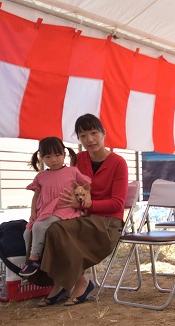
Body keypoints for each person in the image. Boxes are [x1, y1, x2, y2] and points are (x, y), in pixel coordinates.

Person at [29, 113, 128, 307]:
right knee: (47, 227)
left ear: (104, 133)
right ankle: (65, 282)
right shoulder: (78, 160)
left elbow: (117, 204)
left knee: (59, 230)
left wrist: (86, 205)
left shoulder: (118, 163)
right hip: (80, 218)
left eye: (94, 133)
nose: (89, 139)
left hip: (108, 223)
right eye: (83, 135)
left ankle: (76, 283)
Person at [20, 137, 92, 277]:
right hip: (46, 210)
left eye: (57, 155)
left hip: (65, 209)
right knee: (27, 232)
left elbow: (86, 186)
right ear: (41, 158)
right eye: (48, 156)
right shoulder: (41, 176)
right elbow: (36, 196)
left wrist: (87, 197)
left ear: (64, 154)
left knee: (38, 227)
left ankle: (34, 259)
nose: (53, 160)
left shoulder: (72, 171)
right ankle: (29, 260)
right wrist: (33, 212)